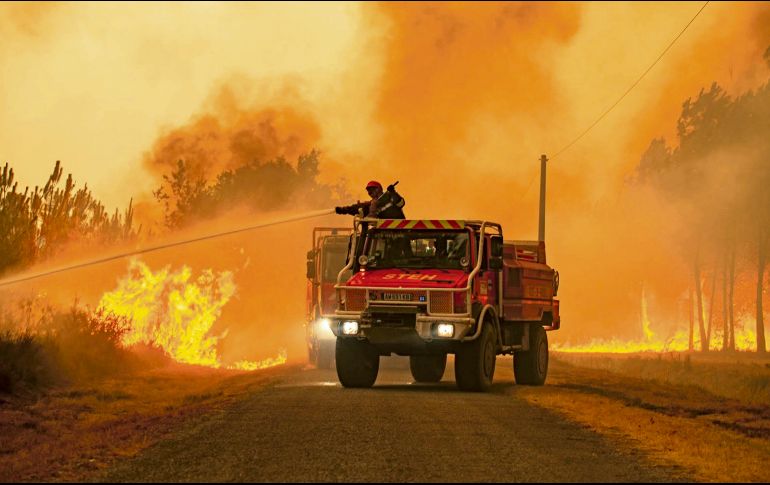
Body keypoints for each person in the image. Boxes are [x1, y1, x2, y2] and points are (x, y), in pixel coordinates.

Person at [335, 181, 406, 219]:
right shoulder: (371, 205)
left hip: (400, 229)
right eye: (368, 191)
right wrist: (343, 210)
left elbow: (400, 203)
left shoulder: (390, 196)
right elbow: (357, 208)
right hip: (384, 233)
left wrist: (393, 192)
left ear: (378, 189)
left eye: (371, 190)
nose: (369, 193)